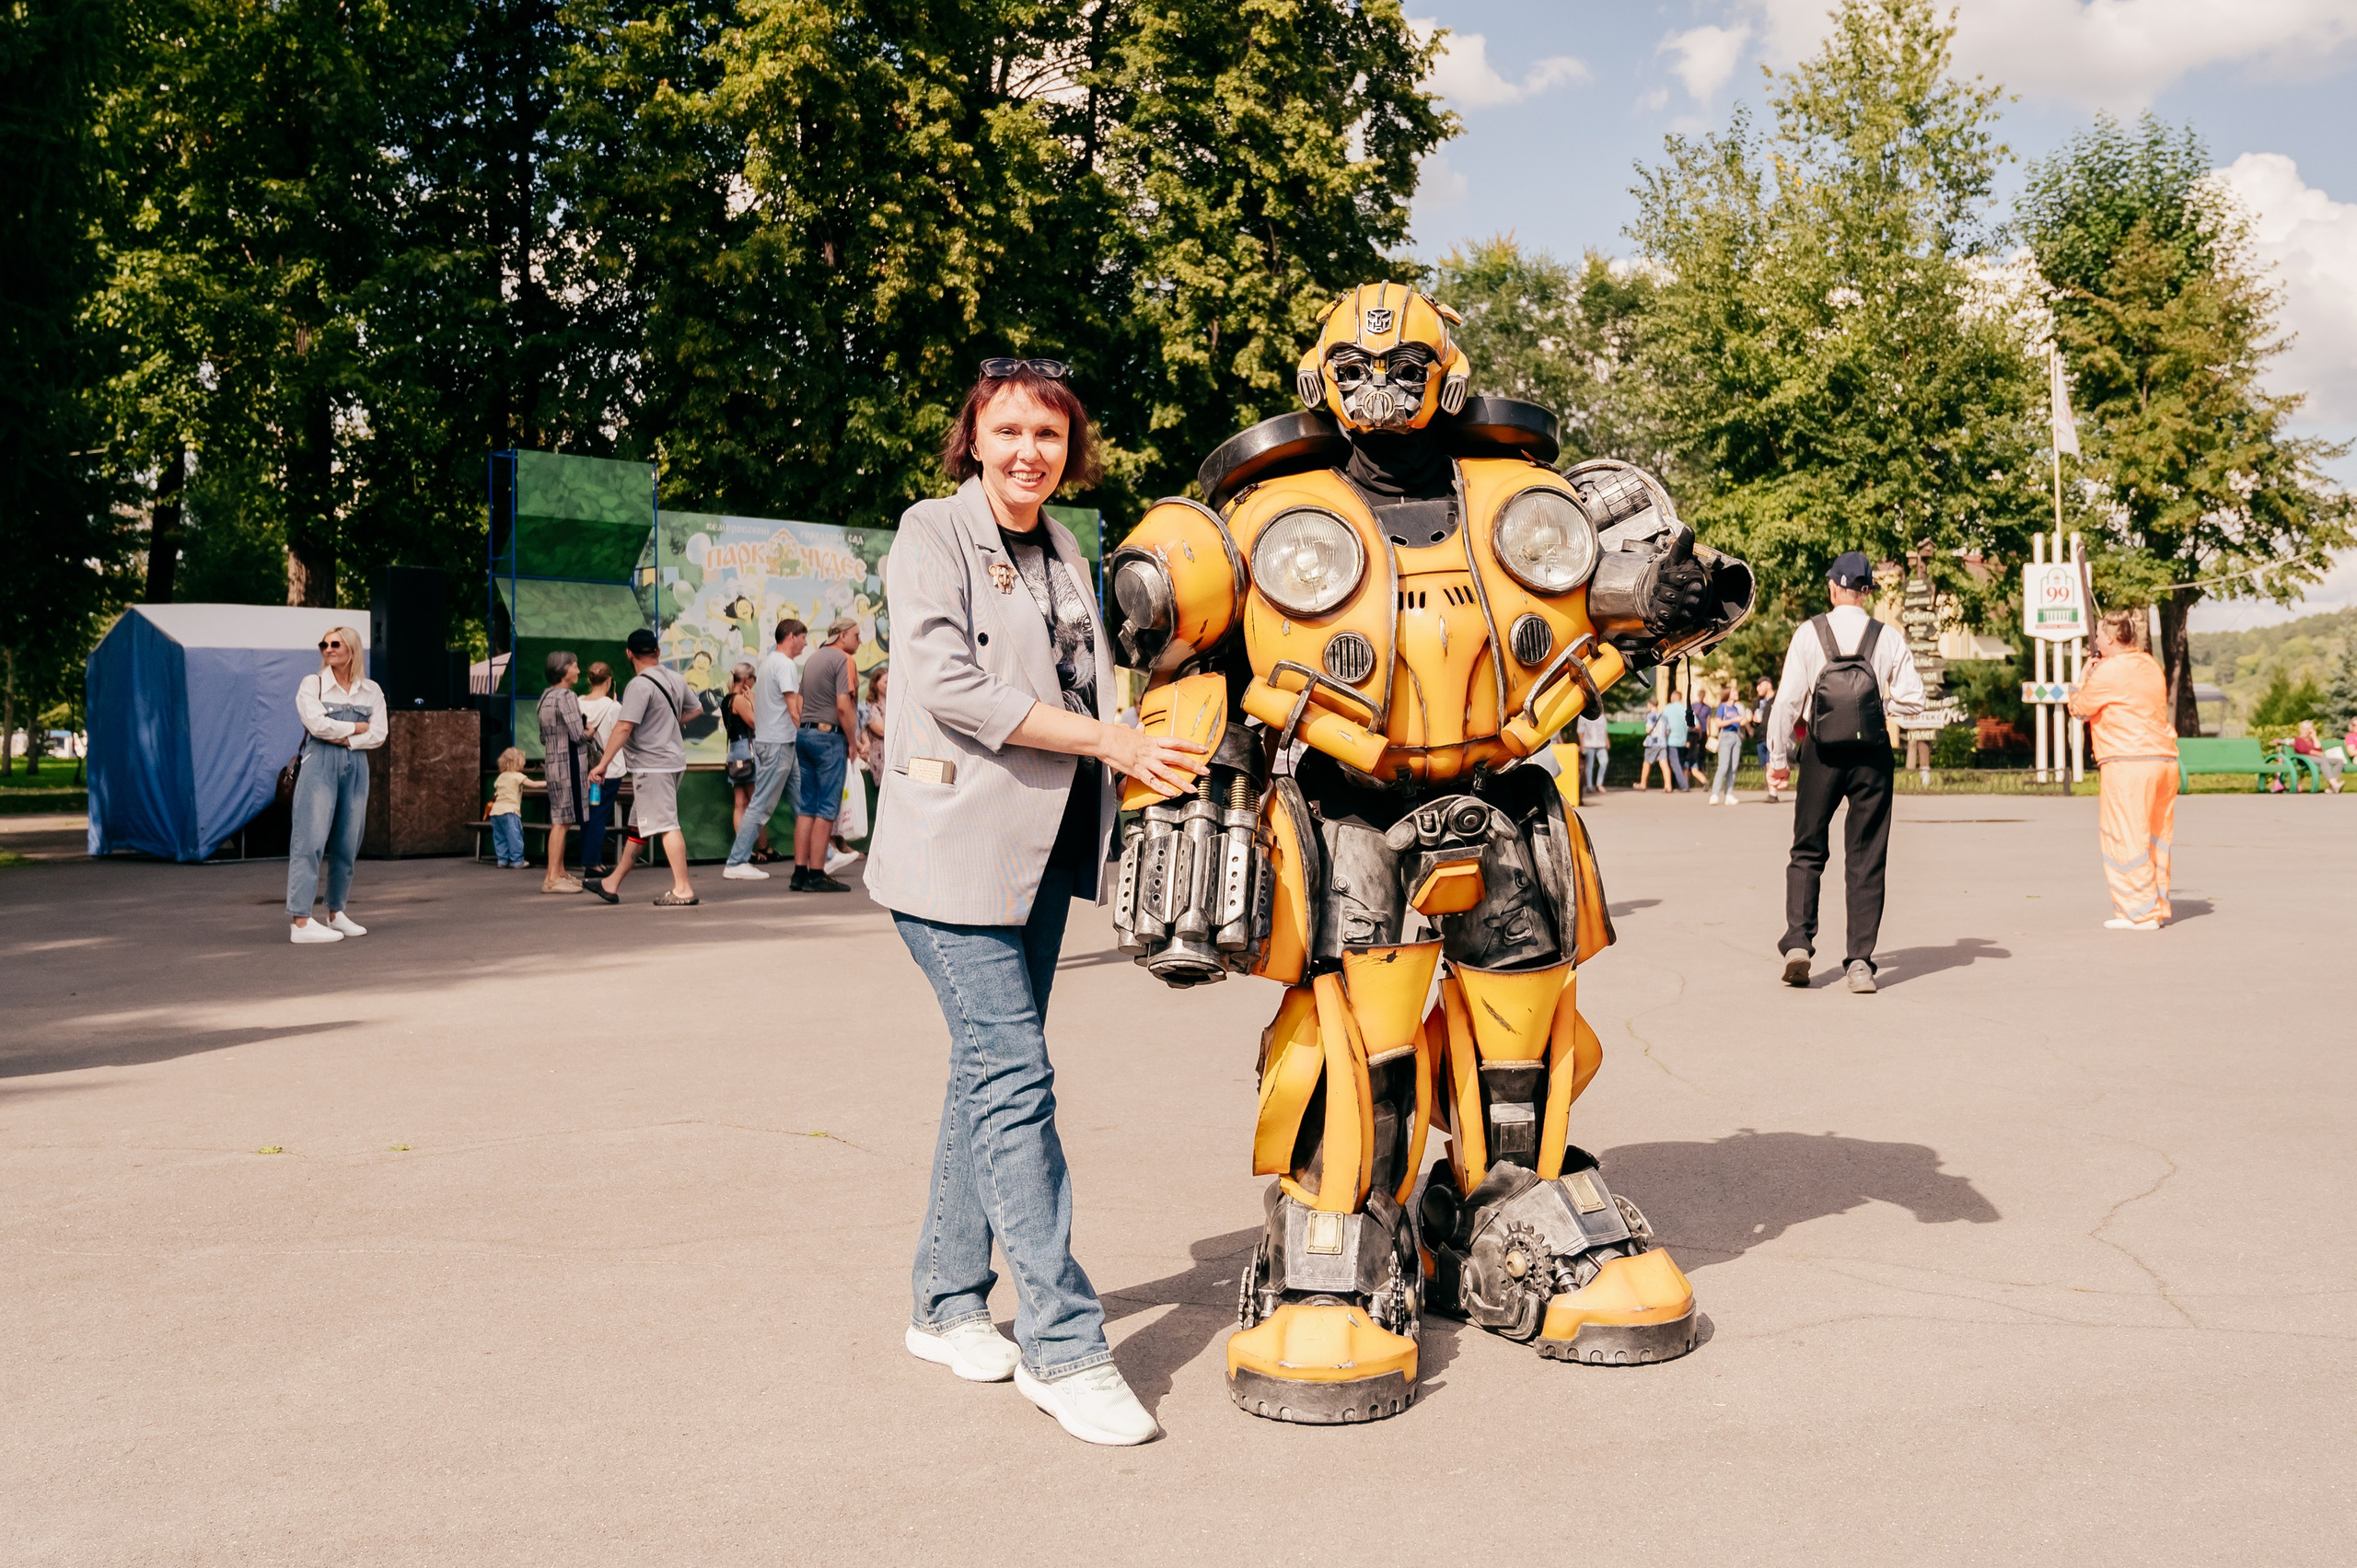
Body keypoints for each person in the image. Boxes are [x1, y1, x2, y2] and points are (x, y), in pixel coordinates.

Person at [866, 358, 1206, 1446]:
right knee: (1015, 1077)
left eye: (1049, 437)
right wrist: (1109, 738)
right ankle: (1064, 1345)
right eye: (1008, 431)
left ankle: (943, 1300)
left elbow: (1086, 680)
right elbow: (951, 685)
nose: (1028, 452)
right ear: (973, 436)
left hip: (1043, 849)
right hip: (949, 853)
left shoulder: (1066, 543)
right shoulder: (931, 531)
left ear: (1071, 450)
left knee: (989, 1072)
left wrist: (1145, 743)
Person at [1767, 552, 1925, 993]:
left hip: (1821, 753)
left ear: (1833, 588)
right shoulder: (1887, 637)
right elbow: (1914, 700)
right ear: (1868, 591)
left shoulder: (1809, 633)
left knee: (1807, 850)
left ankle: (1799, 943)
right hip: (1872, 755)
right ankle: (1860, 963)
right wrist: (1877, 708)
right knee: (1867, 857)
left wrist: (1778, 760)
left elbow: (1786, 703)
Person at [2070, 610, 2178, 929]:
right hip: (2163, 759)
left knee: (2125, 835)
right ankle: (2154, 904)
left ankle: (2139, 912)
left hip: (2127, 761)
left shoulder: (2109, 671)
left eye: (2101, 634)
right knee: (2156, 836)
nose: (2097, 639)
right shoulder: (2149, 665)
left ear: (2112, 639)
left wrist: (2082, 679)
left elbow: (2079, 708)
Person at [585, 627, 701, 908]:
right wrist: (668, 724)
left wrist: (602, 764)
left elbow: (624, 727)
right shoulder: (675, 678)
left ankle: (683, 889)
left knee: (667, 825)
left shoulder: (638, 685)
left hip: (653, 766)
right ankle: (611, 884)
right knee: (638, 826)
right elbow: (696, 709)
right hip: (671, 762)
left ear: (629, 654)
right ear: (658, 652)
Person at [286, 626, 384, 944]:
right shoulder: (311, 684)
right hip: (320, 764)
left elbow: (380, 733)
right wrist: (356, 726)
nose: (327, 649)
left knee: (348, 840)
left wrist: (347, 738)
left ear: (351, 650)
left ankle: (336, 912)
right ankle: (300, 921)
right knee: (310, 839)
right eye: (324, 644)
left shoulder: (370, 690)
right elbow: (316, 724)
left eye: (335, 644)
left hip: (356, 763)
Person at [722, 619, 807, 880]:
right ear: (792, 636)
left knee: (799, 800)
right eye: (803, 637)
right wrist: (807, 735)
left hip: (771, 743)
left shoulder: (770, 662)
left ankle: (826, 854)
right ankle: (737, 861)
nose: (805, 643)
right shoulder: (785, 665)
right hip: (776, 743)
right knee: (758, 804)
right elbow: (792, 708)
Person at [794, 617, 863, 891]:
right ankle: (817, 874)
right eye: (857, 635)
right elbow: (844, 705)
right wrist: (853, 742)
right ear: (843, 635)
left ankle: (799, 873)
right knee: (826, 808)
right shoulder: (844, 660)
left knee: (807, 806)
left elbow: (799, 702)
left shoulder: (813, 659)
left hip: (805, 734)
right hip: (829, 738)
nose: (860, 640)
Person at [536, 653, 587, 893]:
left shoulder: (545, 697)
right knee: (562, 821)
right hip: (569, 765)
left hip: (553, 763)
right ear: (564, 671)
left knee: (562, 820)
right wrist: (592, 730)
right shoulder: (567, 696)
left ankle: (560, 871)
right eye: (575, 666)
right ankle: (551, 878)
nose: (578, 670)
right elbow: (578, 735)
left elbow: (544, 737)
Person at [577, 662, 623, 876]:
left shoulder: (578, 703)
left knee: (588, 813)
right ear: (609, 681)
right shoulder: (613, 707)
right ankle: (592, 862)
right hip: (608, 769)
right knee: (599, 815)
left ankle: (589, 859)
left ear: (589, 680)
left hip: (583, 768)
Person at [723, 658, 759, 840]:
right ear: (746, 679)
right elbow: (755, 721)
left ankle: (742, 845)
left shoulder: (726, 700)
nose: (754, 683)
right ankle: (760, 846)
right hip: (748, 749)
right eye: (754, 678)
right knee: (755, 801)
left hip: (734, 752)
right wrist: (753, 700)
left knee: (740, 802)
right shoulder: (739, 700)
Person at [487, 747, 529, 867]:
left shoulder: (501, 777)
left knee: (499, 837)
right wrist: (549, 782)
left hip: (495, 812)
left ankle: (502, 860)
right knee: (514, 836)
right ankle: (517, 861)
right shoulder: (517, 776)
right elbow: (533, 784)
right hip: (510, 811)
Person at [1708, 686, 1747, 804]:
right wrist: (1733, 720)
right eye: (1734, 691)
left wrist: (1748, 719)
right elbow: (1718, 723)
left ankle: (1729, 794)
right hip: (1725, 735)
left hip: (1736, 736)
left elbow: (1740, 722)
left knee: (1733, 766)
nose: (1737, 693)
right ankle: (1714, 794)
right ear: (1728, 694)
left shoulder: (1736, 708)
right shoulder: (1723, 706)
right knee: (1723, 766)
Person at [1752, 676, 1781, 802]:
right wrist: (1753, 720)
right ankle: (1772, 790)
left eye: (1760, 685)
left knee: (1770, 764)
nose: (1758, 688)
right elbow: (1753, 715)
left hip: (1773, 736)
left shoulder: (1777, 699)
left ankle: (1773, 793)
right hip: (1760, 737)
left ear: (1768, 685)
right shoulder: (1758, 702)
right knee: (1766, 765)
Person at [1661, 689, 1690, 791]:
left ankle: (1684, 785)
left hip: (1671, 740)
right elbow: (1695, 724)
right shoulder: (1685, 709)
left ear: (1672, 697)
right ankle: (1674, 784)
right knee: (1679, 762)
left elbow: (1662, 723)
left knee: (1674, 763)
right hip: (1682, 740)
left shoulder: (1667, 708)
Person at [1575, 708, 1610, 795]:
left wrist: (1607, 740)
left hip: (1601, 743)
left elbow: (1604, 730)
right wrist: (1582, 744)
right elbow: (1580, 731)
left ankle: (1599, 784)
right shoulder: (1583, 716)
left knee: (1604, 762)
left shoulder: (1601, 716)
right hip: (1589, 743)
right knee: (1589, 765)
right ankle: (1589, 786)